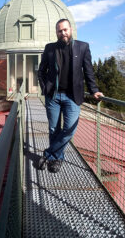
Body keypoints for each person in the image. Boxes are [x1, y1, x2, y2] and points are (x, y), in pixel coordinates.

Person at [37, 18, 103, 173]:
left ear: (71, 29)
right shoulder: (50, 48)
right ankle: (56, 159)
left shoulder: (82, 47)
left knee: (69, 129)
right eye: (60, 30)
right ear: (56, 32)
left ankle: (48, 153)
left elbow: (88, 71)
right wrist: (45, 88)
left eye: (65, 29)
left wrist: (94, 90)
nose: (63, 33)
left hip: (72, 97)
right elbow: (41, 72)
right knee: (54, 128)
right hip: (53, 96)